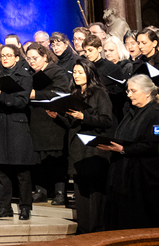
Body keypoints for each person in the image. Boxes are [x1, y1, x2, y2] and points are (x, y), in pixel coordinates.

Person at [46, 60, 113, 233]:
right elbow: (71, 123)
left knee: (95, 193)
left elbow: (107, 121)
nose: (76, 76)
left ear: (90, 73)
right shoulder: (74, 94)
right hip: (77, 148)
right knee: (80, 193)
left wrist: (84, 117)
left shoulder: (100, 93)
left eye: (80, 72)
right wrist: (57, 117)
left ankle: (96, 230)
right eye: (74, 72)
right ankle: (83, 230)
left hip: (93, 149)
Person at [0, 44, 36, 219]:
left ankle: (25, 207)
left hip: (16, 125)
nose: (5, 58)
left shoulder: (25, 76)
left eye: (9, 55)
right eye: (2, 55)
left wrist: (0, 96)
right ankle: (4, 207)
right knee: (1, 170)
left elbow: (21, 101)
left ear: (17, 58)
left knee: (21, 171)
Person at [100, 74, 159, 230]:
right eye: (128, 91)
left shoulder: (155, 114)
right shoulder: (132, 111)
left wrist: (125, 149)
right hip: (123, 171)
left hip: (142, 176)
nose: (129, 95)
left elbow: (154, 145)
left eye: (133, 91)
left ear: (147, 92)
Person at [26, 43, 69, 205]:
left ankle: (60, 192)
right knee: (38, 157)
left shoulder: (56, 71)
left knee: (55, 157)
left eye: (35, 58)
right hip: (35, 120)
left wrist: (36, 94)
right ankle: (41, 191)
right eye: (29, 59)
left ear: (44, 56)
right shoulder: (29, 74)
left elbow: (61, 92)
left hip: (52, 120)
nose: (32, 62)